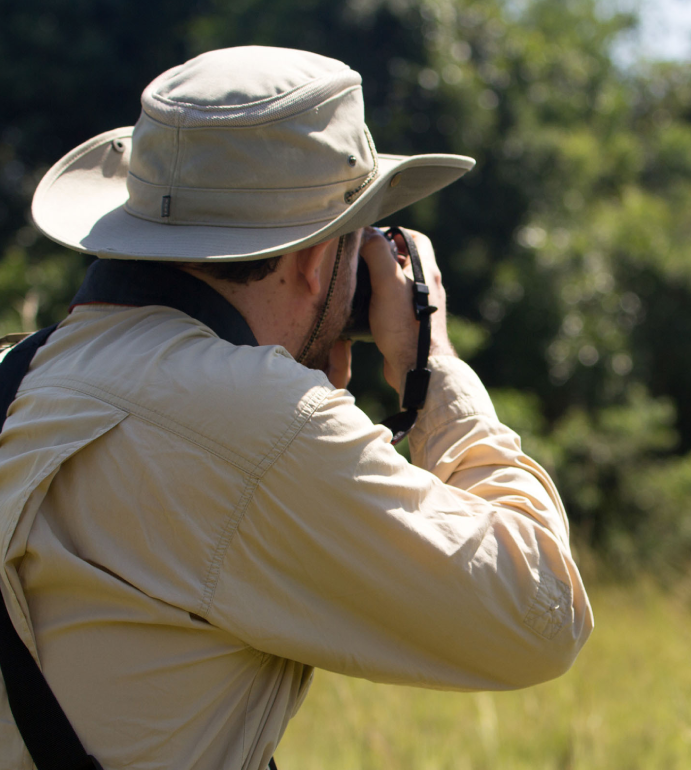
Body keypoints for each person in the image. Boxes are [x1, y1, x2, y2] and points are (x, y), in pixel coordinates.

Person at [0, 45, 593, 770]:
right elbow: (540, 615)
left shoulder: (22, 373)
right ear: (316, 260)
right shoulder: (257, 423)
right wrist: (433, 370)